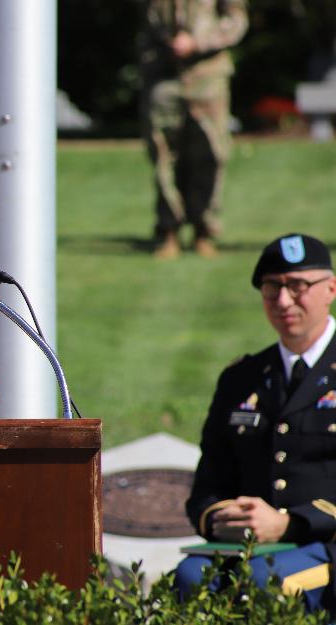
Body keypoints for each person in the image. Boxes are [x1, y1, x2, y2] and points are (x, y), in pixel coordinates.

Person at [178, 233, 336, 611]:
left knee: (268, 582)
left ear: (330, 288)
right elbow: (209, 483)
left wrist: (291, 524)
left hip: (324, 543)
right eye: (271, 288)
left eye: (297, 287)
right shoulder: (242, 377)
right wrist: (221, 518)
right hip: (248, 547)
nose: (283, 301)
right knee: (189, 577)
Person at [140, 0, 249, 259]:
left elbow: (237, 19)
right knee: (163, 155)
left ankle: (204, 229)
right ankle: (168, 230)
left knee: (211, 153)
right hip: (162, 74)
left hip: (207, 75)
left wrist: (199, 42)